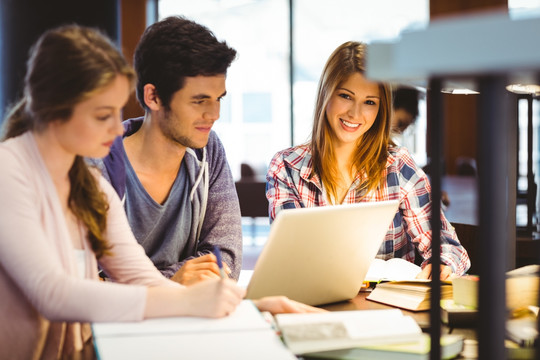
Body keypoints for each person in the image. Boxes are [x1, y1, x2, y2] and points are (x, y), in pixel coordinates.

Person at [0, 25, 320, 360]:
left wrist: (251, 304)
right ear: (55, 111)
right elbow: (52, 293)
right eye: (102, 115)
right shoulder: (10, 171)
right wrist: (189, 298)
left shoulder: (87, 184)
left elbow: (142, 278)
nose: (115, 128)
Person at [266, 41, 471, 280]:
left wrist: (442, 264)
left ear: (381, 108)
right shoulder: (286, 167)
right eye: (345, 96)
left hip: (387, 307)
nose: (355, 114)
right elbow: (289, 256)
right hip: (314, 304)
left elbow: (448, 247)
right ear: (325, 94)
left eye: (370, 102)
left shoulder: (397, 167)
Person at [91, 16, 243, 285]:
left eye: (218, 99)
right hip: (114, 325)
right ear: (154, 97)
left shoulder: (209, 151)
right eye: (199, 101)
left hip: (188, 320)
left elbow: (226, 260)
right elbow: (87, 282)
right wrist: (173, 281)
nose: (214, 114)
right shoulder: (97, 164)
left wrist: (160, 283)